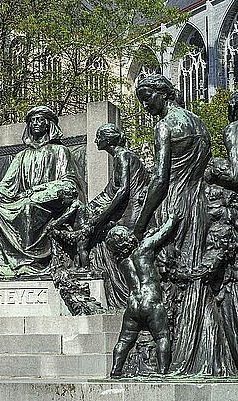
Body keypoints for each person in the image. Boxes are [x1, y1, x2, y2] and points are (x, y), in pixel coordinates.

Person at [134, 74, 214, 374]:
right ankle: (201, 348)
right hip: (199, 205)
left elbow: (159, 179)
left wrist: (141, 223)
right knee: (195, 278)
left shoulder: (165, 125)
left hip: (174, 207)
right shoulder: (199, 123)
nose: (144, 106)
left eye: (147, 98)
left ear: (162, 93)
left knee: (171, 278)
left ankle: (176, 353)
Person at [0, 106, 85, 276]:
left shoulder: (60, 151)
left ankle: (30, 262)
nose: (35, 123)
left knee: (28, 206)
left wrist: (38, 190)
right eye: (32, 120)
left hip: (48, 203)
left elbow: (69, 183)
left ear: (48, 124)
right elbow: (6, 184)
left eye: (39, 119)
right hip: (22, 201)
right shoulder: (21, 156)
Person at [88, 123, 150, 308]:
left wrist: (102, 218)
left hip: (132, 213)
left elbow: (123, 191)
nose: (96, 140)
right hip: (128, 211)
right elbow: (111, 191)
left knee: (116, 249)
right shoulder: (122, 156)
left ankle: (127, 297)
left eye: (99, 136)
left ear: (108, 139)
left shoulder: (123, 156)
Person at [106, 216, 176, 378]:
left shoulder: (121, 262)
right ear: (128, 238)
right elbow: (163, 234)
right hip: (151, 301)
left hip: (132, 305)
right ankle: (163, 371)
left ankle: (116, 371)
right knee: (162, 336)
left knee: (124, 341)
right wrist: (172, 219)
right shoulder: (143, 249)